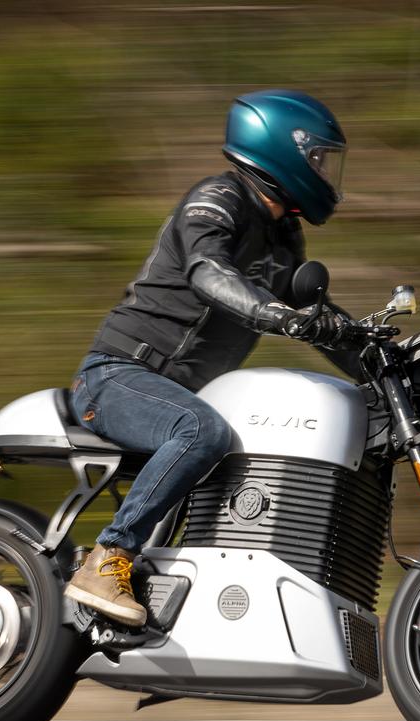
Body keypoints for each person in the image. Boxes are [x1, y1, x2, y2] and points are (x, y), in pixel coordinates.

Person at [64, 90, 362, 627]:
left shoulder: (283, 236)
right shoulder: (218, 198)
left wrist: (381, 359)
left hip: (179, 392)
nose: (325, 173)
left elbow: (313, 316)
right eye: (318, 159)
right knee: (202, 431)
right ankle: (108, 559)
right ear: (281, 149)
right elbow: (208, 271)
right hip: (118, 375)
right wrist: (274, 312)